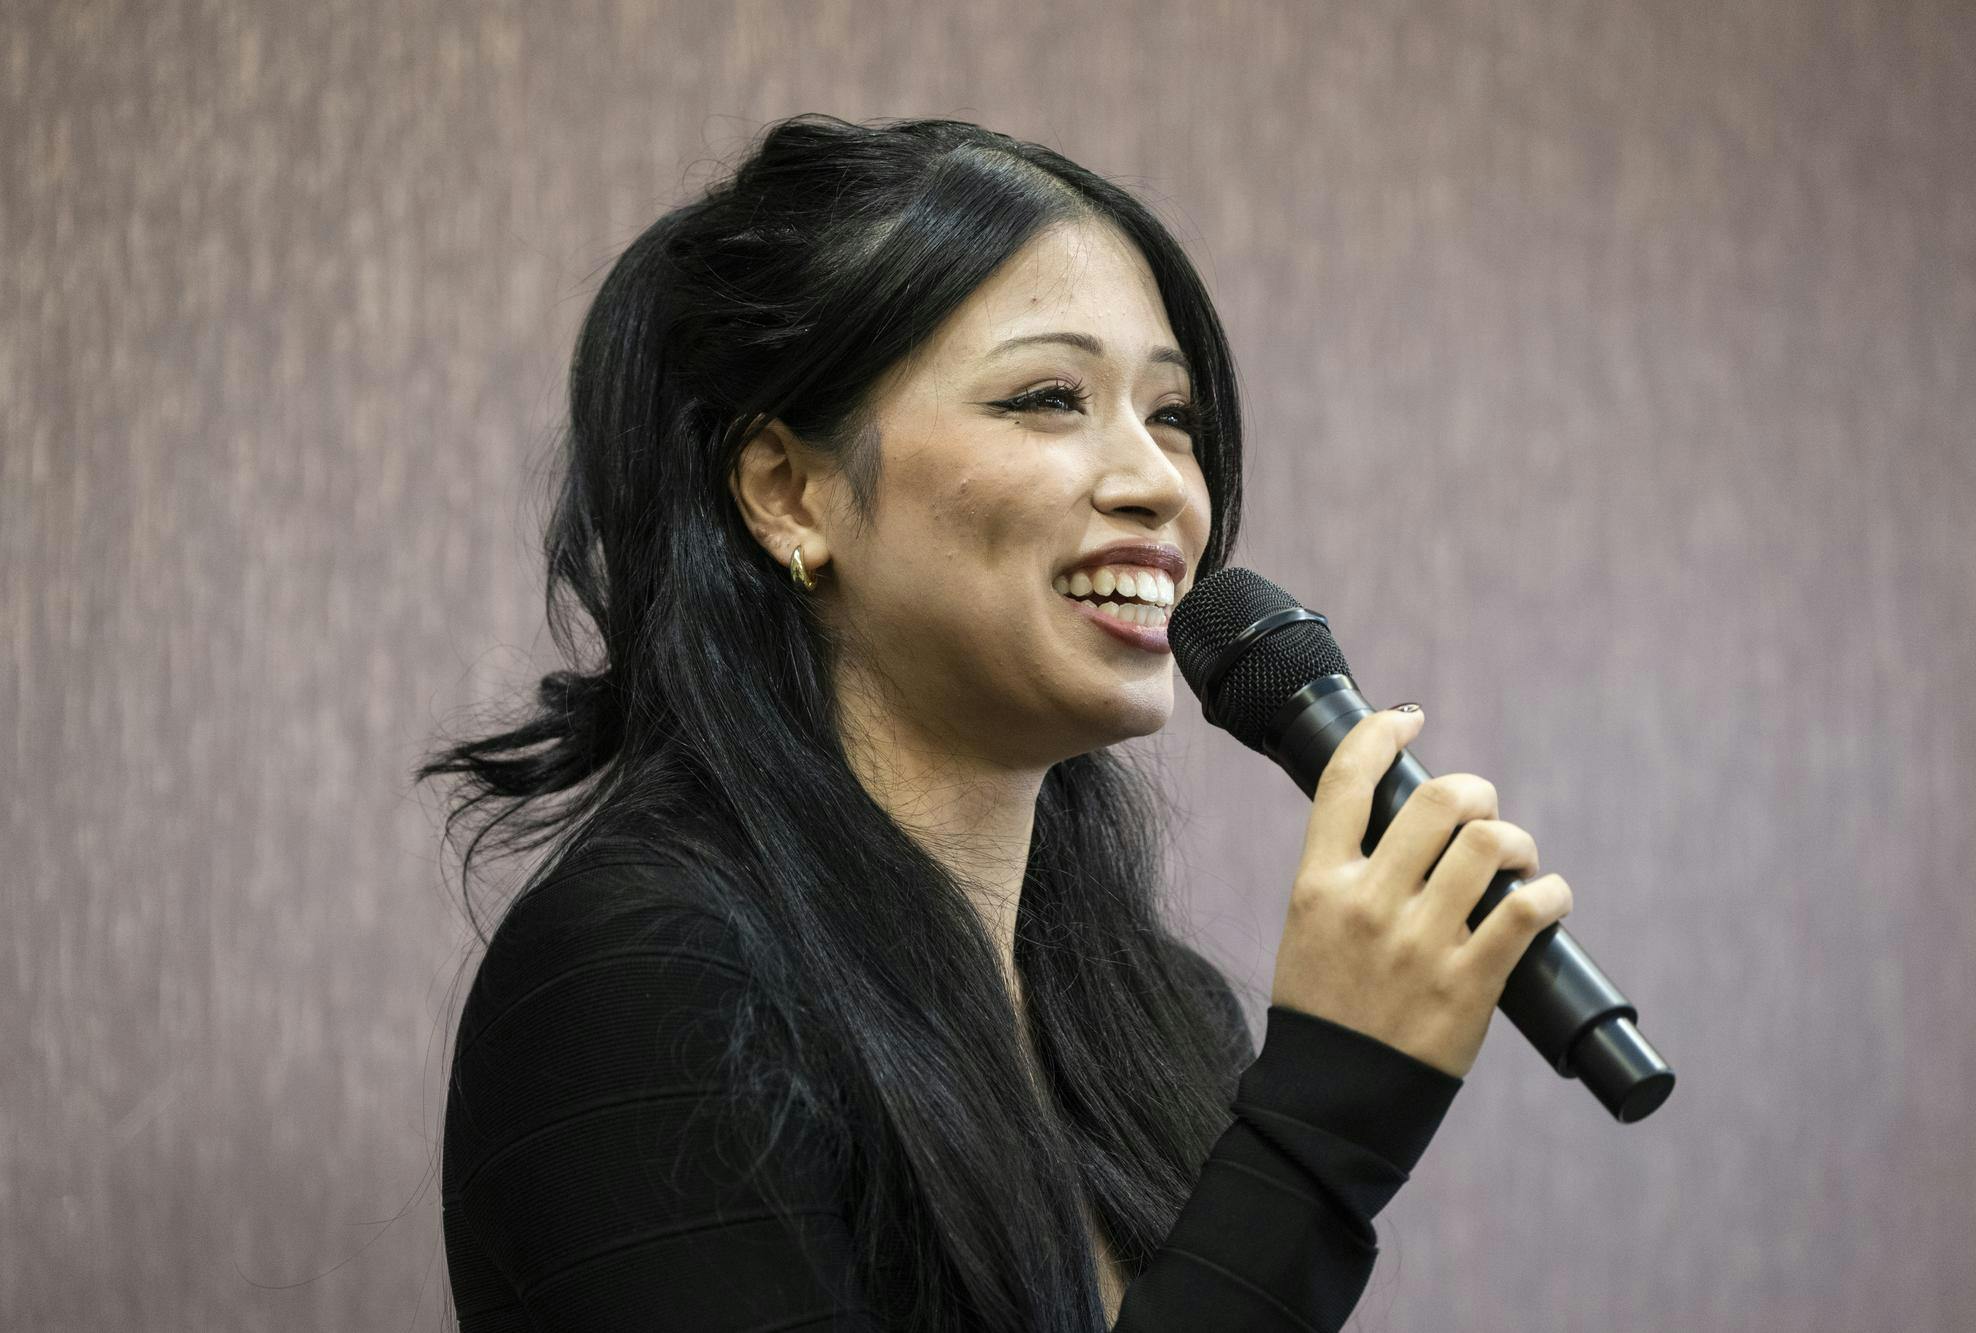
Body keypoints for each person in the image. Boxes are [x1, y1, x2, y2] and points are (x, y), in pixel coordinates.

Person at [417, 113, 1572, 1332]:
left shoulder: (1165, 1021)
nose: (1158, 484)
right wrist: (1319, 1128)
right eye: (1045, 398)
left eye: (1171, 415)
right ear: (788, 493)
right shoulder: (640, 978)